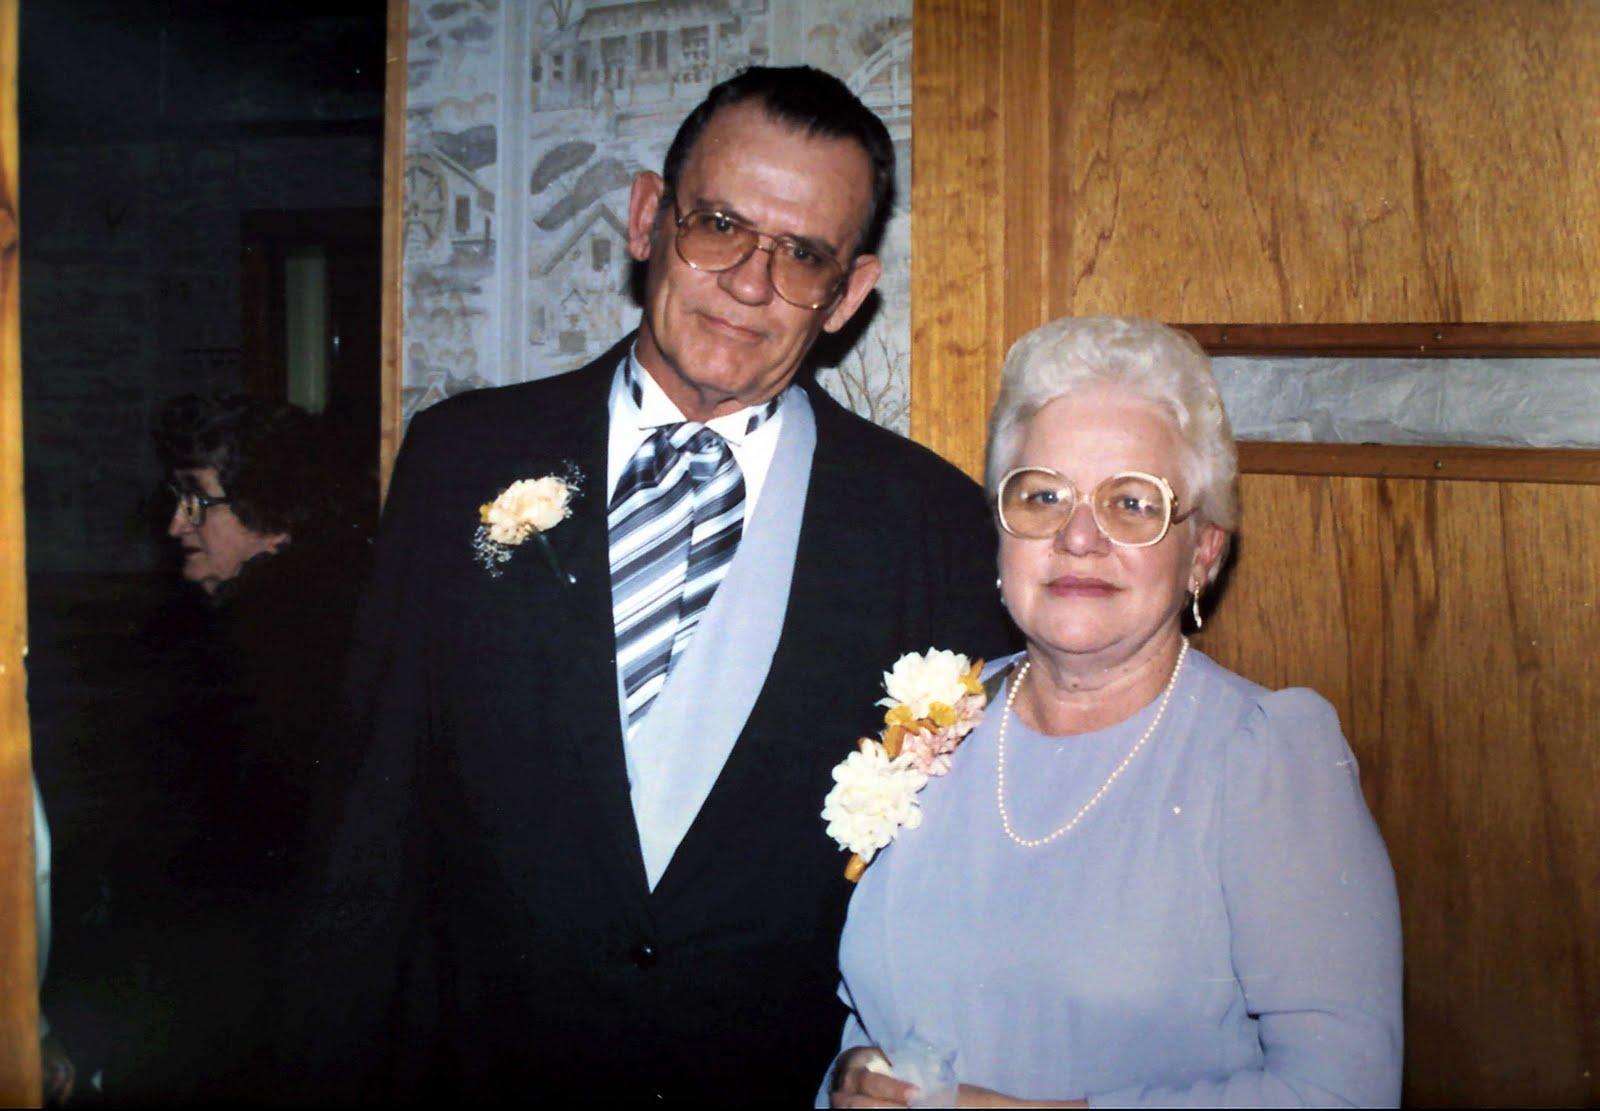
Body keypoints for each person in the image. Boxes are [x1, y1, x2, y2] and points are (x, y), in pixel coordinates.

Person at [292, 67, 1012, 1103]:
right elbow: (369, 824)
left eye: (802, 254)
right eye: (718, 224)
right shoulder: (461, 458)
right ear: (645, 219)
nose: (749, 283)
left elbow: (959, 882)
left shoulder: (930, 523)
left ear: (848, 293)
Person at [828, 317, 1403, 1108]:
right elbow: (881, 1008)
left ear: (1203, 550)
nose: (1079, 535)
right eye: (1043, 495)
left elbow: (1342, 1092)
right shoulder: (934, 722)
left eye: (1132, 503)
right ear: (1002, 529)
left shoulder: (1266, 755)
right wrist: (853, 1073)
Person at [43, 395, 372, 1102]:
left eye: (198, 501)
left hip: (243, 1006)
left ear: (272, 512)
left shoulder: (289, 648)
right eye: (177, 497)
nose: (174, 524)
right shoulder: (223, 628)